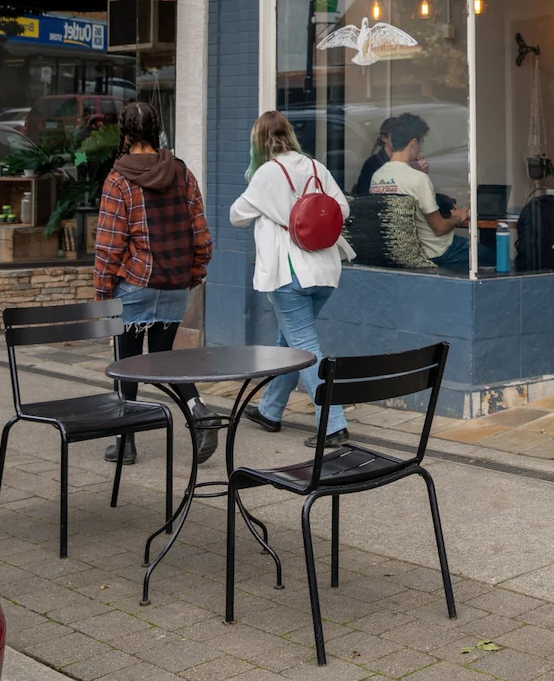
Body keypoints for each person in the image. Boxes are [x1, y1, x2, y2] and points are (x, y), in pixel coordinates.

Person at [92, 101, 217, 465]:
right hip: (175, 282)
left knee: (126, 363)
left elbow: (109, 247)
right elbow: (201, 235)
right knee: (165, 360)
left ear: (125, 134)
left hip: (135, 284)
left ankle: (126, 442)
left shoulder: (118, 179)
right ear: (157, 131)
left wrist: (103, 293)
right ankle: (199, 411)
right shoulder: (181, 172)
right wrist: (193, 275)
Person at [232, 109, 356, 445]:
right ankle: (270, 410)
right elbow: (342, 208)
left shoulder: (266, 173)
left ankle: (333, 424)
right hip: (324, 271)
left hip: (289, 276)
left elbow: (236, 216)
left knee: (305, 349)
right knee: (289, 344)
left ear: (258, 142)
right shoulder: (316, 167)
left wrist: (273, 209)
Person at [367, 112, 472, 266]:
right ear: (413, 142)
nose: (420, 149)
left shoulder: (377, 176)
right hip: (436, 252)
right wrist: (458, 217)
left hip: (401, 252)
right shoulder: (418, 179)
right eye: (421, 143)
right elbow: (439, 228)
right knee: (492, 257)